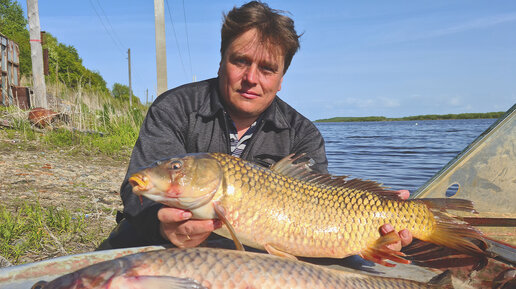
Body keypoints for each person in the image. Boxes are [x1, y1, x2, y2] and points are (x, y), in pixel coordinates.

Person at [98, 1, 412, 260]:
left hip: (260, 253)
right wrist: (162, 224)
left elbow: (327, 210)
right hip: (167, 247)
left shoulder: (303, 134)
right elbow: (136, 188)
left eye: (267, 69)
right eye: (240, 61)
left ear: (281, 77)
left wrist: (379, 238)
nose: (251, 78)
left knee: (356, 262)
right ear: (221, 61)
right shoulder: (175, 108)